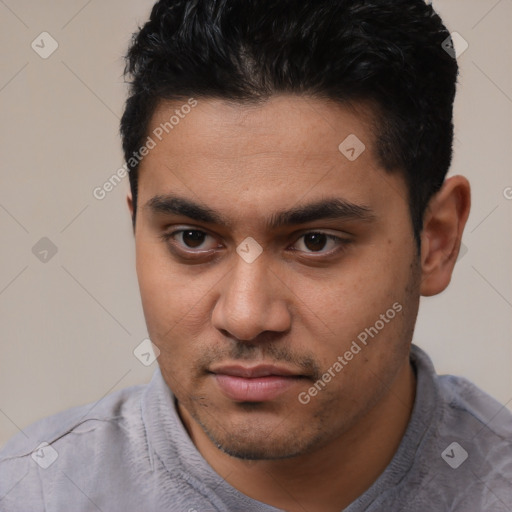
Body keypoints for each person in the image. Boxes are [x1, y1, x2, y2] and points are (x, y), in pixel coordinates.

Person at [1, 1, 511, 510]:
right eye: (192, 238)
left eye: (316, 241)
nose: (245, 317)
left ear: (438, 241)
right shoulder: (34, 493)